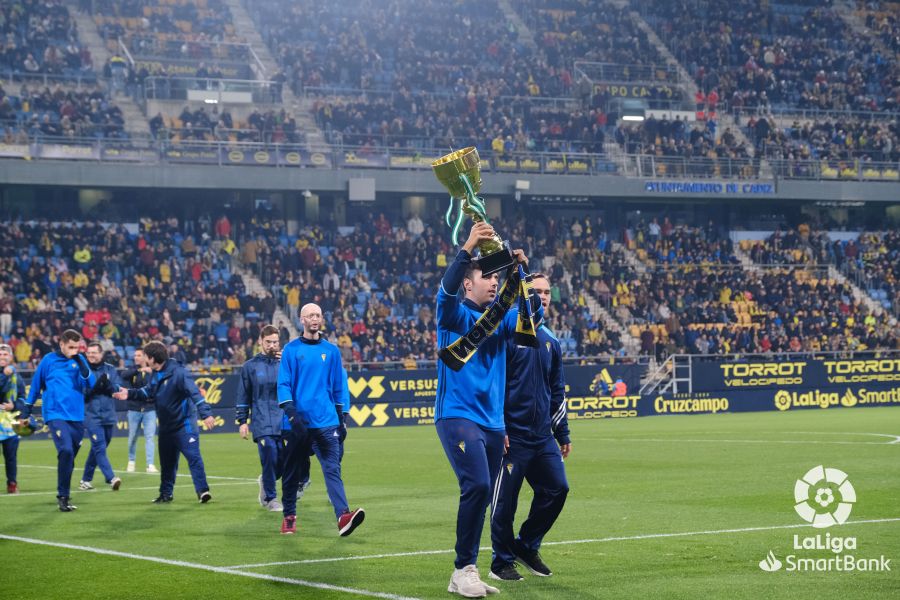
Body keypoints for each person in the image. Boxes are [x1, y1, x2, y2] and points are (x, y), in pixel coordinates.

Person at [435, 222, 535, 598]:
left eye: (497, 277)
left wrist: (519, 271)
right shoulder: (454, 316)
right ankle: (464, 567)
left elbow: (533, 313)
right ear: (468, 282)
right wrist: (468, 248)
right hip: (457, 414)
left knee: (482, 495)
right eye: (486, 276)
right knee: (476, 485)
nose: (494, 283)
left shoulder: (503, 320)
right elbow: (444, 292)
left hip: (493, 422)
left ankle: (464, 572)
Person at [490, 273, 571, 581]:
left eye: (548, 291)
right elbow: (495, 385)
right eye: (537, 291)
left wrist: (562, 433)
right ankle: (501, 562)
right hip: (512, 436)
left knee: (557, 489)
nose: (544, 296)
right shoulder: (508, 334)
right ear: (525, 294)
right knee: (505, 502)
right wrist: (499, 428)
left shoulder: (551, 341)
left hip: (542, 437)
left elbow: (557, 389)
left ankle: (526, 544)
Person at [277, 303, 362, 536]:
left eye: (318, 315)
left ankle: (343, 516)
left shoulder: (332, 351)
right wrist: (292, 415)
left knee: (332, 470)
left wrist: (342, 419)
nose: (315, 319)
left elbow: (338, 387)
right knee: (292, 472)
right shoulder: (291, 350)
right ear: (301, 320)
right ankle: (289, 516)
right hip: (297, 424)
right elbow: (283, 384)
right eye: (310, 316)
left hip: (325, 423)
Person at [114, 342, 216, 504]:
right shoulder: (156, 373)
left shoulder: (179, 373)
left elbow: (194, 393)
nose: (145, 360)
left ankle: (203, 491)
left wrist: (206, 414)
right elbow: (148, 391)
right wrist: (129, 393)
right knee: (167, 463)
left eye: (146, 357)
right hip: (166, 426)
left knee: (193, 457)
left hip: (184, 425)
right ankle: (165, 494)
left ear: (152, 358)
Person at [21, 330, 96, 511]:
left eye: (76, 347)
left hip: (77, 416)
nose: (73, 350)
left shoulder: (79, 361)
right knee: (66, 450)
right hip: (55, 414)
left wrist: (80, 361)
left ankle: (64, 492)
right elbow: (36, 386)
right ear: (61, 344)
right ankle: (63, 496)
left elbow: (91, 384)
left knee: (68, 457)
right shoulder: (48, 360)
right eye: (70, 347)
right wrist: (25, 411)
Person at [236, 325, 289, 512]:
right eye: (268, 342)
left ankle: (265, 481)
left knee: (284, 462)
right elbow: (243, 395)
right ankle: (270, 498)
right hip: (261, 421)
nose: (272, 345)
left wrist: (291, 364)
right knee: (270, 455)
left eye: (275, 342)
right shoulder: (250, 366)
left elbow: (298, 386)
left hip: (283, 420)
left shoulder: (286, 363)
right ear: (260, 341)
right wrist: (243, 422)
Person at [79, 343, 123, 492]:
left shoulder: (110, 368)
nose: (91, 355)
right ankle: (111, 478)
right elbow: (81, 393)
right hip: (91, 416)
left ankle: (85, 480)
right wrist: (93, 389)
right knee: (99, 447)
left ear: (101, 354)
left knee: (98, 448)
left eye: (94, 353)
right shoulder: (83, 370)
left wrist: (108, 386)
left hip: (108, 415)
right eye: (88, 353)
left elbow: (117, 387)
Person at [122, 348, 157, 473]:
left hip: (149, 408)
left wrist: (150, 371)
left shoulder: (153, 370)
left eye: (139, 355)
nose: (136, 357)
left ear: (145, 357)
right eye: (135, 355)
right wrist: (139, 370)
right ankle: (131, 461)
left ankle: (150, 464)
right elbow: (123, 375)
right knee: (132, 437)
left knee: (150, 437)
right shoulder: (132, 370)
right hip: (134, 408)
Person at [0, 343, 24, 494]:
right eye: (0, 355)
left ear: (10, 357)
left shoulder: (17, 377)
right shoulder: (9, 374)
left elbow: (23, 398)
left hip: (10, 423)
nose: (2, 357)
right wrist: (4, 375)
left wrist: (14, 405)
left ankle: (12, 483)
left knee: (11, 457)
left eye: (5, 355)